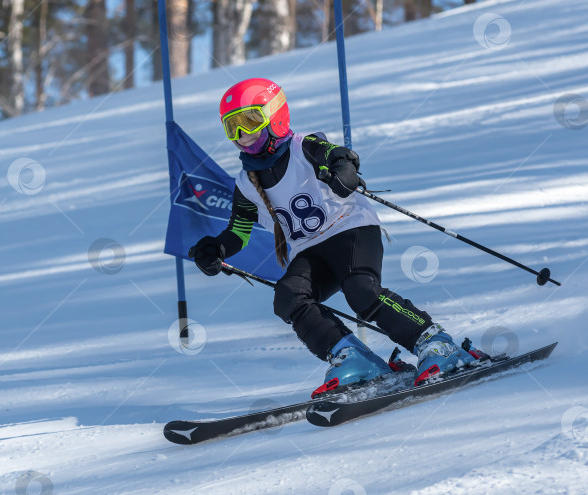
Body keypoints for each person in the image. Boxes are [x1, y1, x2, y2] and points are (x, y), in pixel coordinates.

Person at [190, 77, 484, 398]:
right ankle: (355, 358)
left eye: (250, 122)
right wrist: (216, 248)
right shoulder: (246, 182)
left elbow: (339, 156)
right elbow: (238, 231)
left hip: (351, 230)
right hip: (311, 251)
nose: (242, 136)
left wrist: (343, 171)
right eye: (232, 128)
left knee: (360, 291)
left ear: (276, 117)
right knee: (288, 296)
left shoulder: (305, 147)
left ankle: (436, 343)